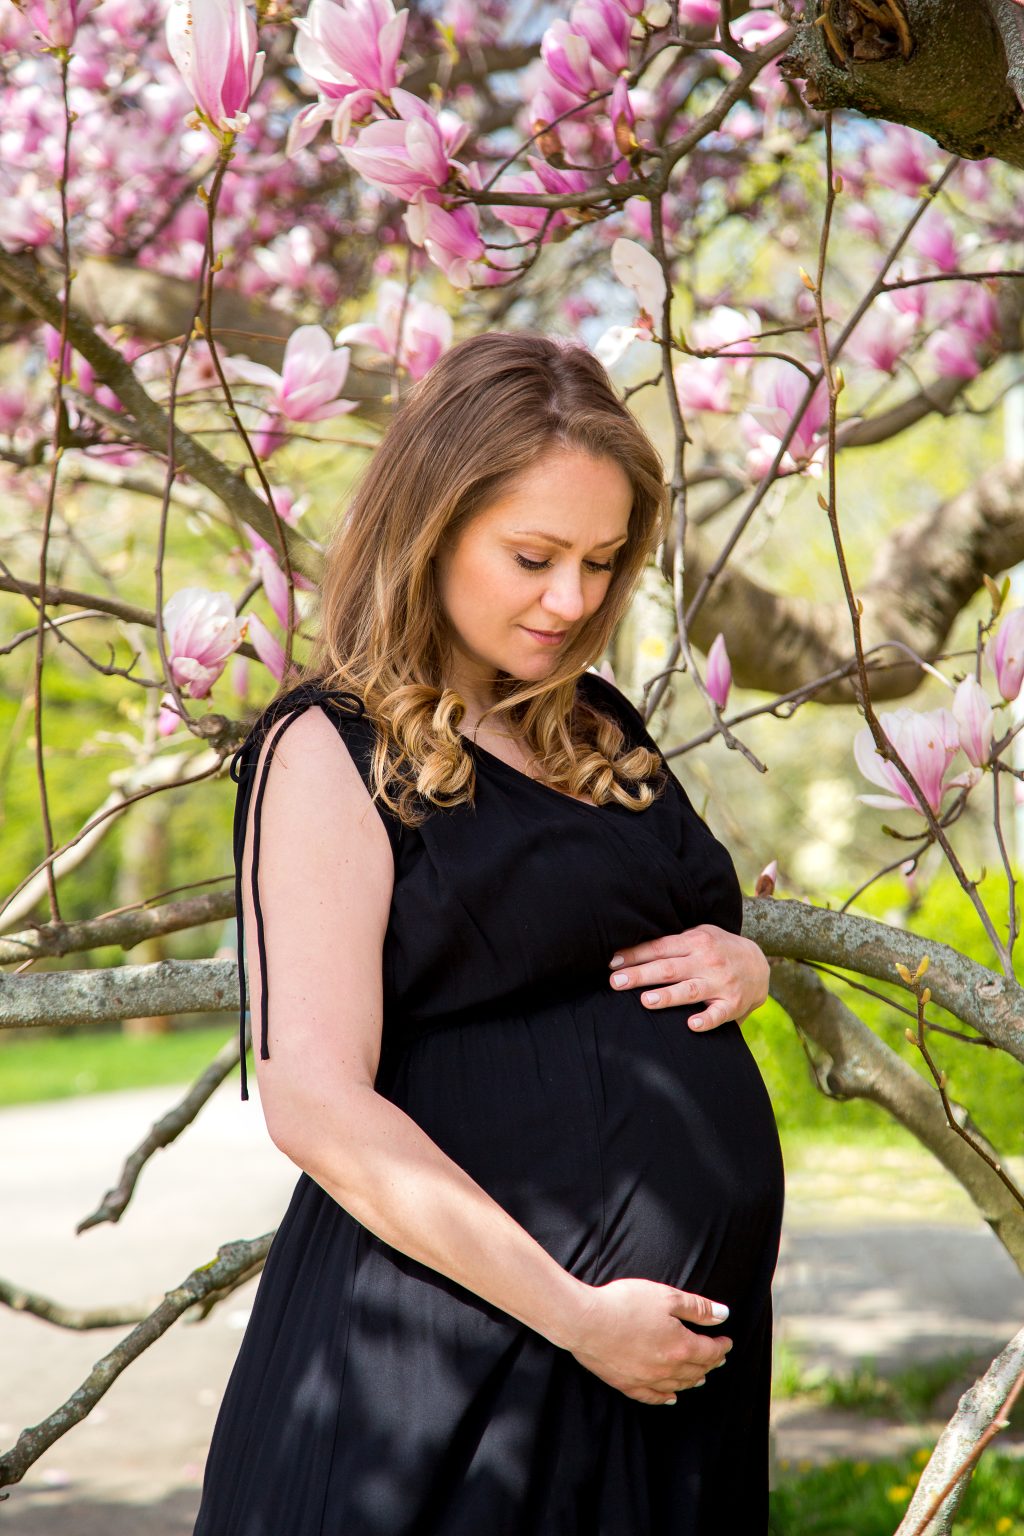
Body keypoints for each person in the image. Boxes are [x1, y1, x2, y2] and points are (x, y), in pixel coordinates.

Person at [193, 331, 784, 1535]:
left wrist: (745, 958)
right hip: (471, 1359)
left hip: (652, 1371)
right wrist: (574, 1313)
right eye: (532, 556)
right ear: (432, 527)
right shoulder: (329, 748)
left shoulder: (593, 725)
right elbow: (313, 1099)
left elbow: (676, 920)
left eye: (600, 562)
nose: (571, 600)